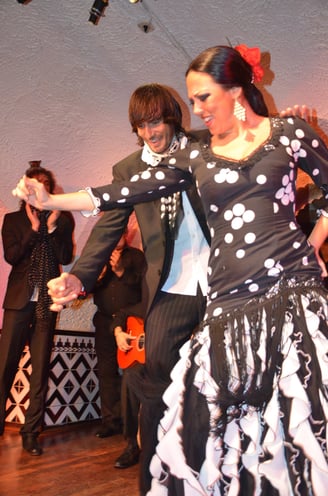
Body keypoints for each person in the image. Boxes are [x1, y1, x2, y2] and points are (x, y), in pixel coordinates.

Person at [13, 83, 318, 493]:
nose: (150, 131)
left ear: (174, 117)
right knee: (156, 387)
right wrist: (79, 276)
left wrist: (283, 126)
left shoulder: (206, 145)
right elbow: (107, 226)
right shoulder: (128, 170)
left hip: (227, 287)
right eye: (141, 125)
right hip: (170, 291)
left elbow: (255, 158)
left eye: (156, 121)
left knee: (236, 385)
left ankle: (233, 477)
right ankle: (154, 482)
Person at [0, 162, 74, 456]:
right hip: (18, 302)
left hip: (47, 301)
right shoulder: (13, 221)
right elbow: (12, 257)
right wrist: (33, 230)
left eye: (45, 185)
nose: (39, 190)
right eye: (34, 185)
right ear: (26, 189)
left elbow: (65, 257)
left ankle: (31, 432)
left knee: (40, 368)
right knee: (4, 365)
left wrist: (53, 227)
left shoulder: (63, 219)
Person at [92, 231, 146, 469]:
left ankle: (129, 425)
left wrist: (121, 272)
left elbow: (142, 287)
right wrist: (99, 276)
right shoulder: (100, 256)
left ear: (126, 234)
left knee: (130, 373)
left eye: (121, 232)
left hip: (132, 323)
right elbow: (89, 288)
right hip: (105, 321)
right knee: (106, 372)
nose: (117, 236)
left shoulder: (137, 257)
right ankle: (110, 421)